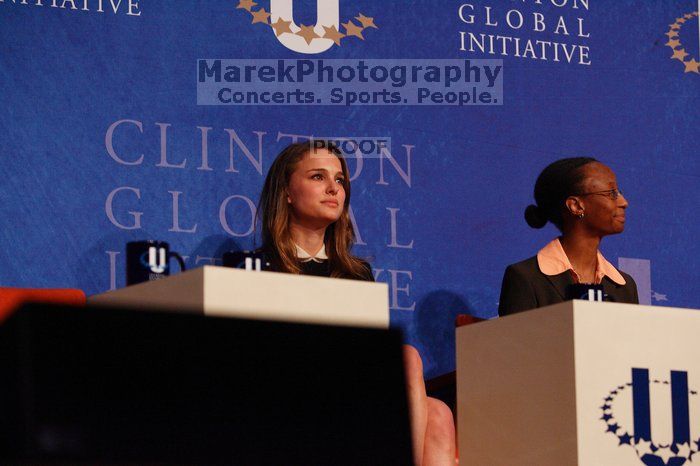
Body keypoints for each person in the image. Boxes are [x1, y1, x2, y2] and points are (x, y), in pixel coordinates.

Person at [258, 141, 456, 466]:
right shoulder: (258, 266)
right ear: (287, 192)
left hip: (351, 391)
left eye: (339, 180)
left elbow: (372, 356)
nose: (333, 189)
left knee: (437, 412)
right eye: (318, 177)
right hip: (290, 392)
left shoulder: (356, 272)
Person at [498, 157, 639, 316]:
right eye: (612, 193)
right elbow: (515, 340)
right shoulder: (526, 277)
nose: (624, 202)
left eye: (619, 192)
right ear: (576, 206)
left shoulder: (625, 286)